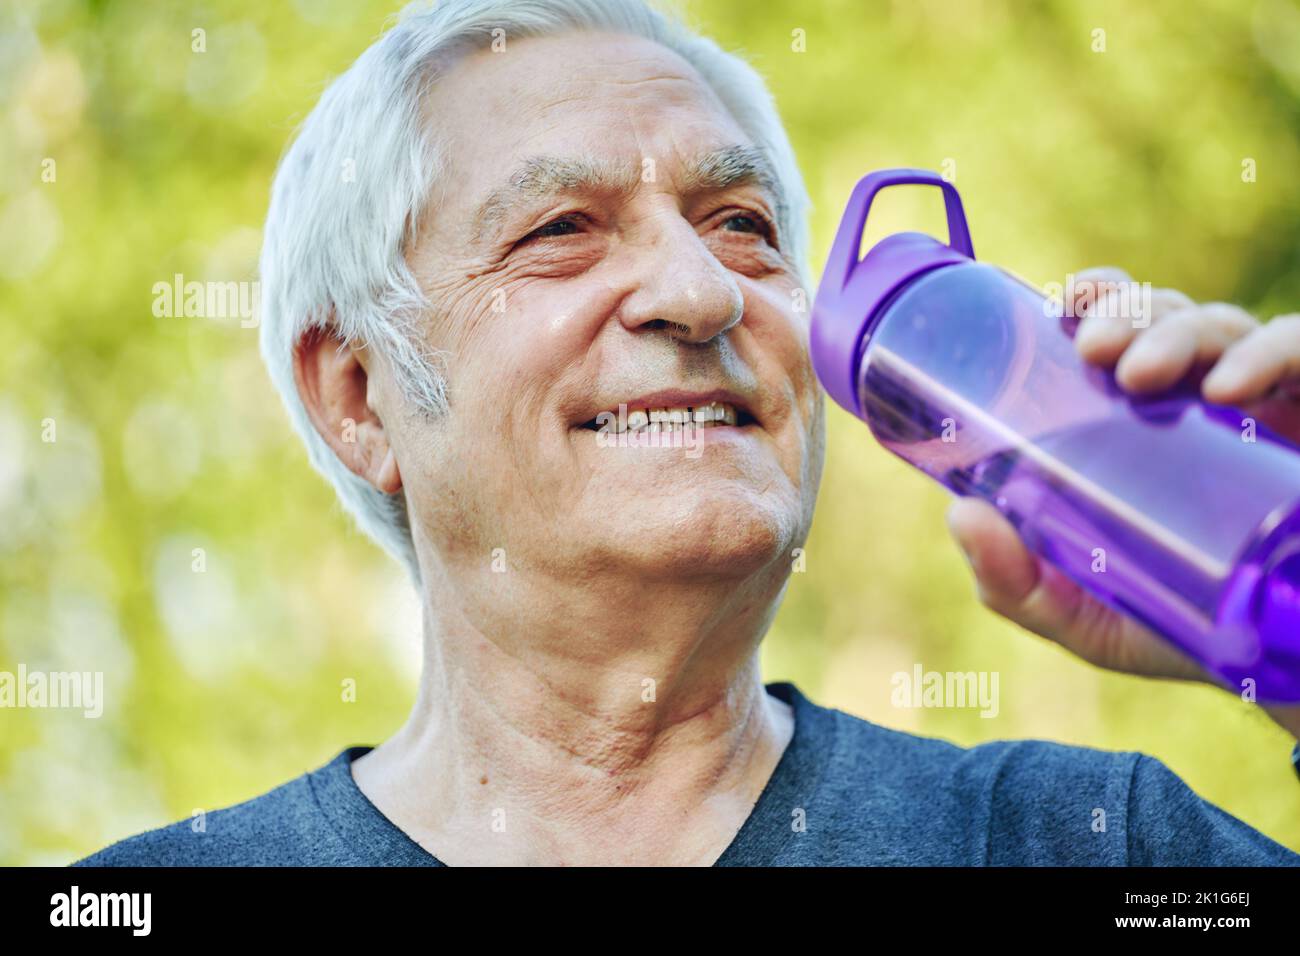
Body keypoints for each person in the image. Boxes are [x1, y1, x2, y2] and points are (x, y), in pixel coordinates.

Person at [79, 0, 1300, 866]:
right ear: (357, 393)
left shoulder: (1088, 845)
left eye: (741, 223)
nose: (703, 293)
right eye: (561, 226)